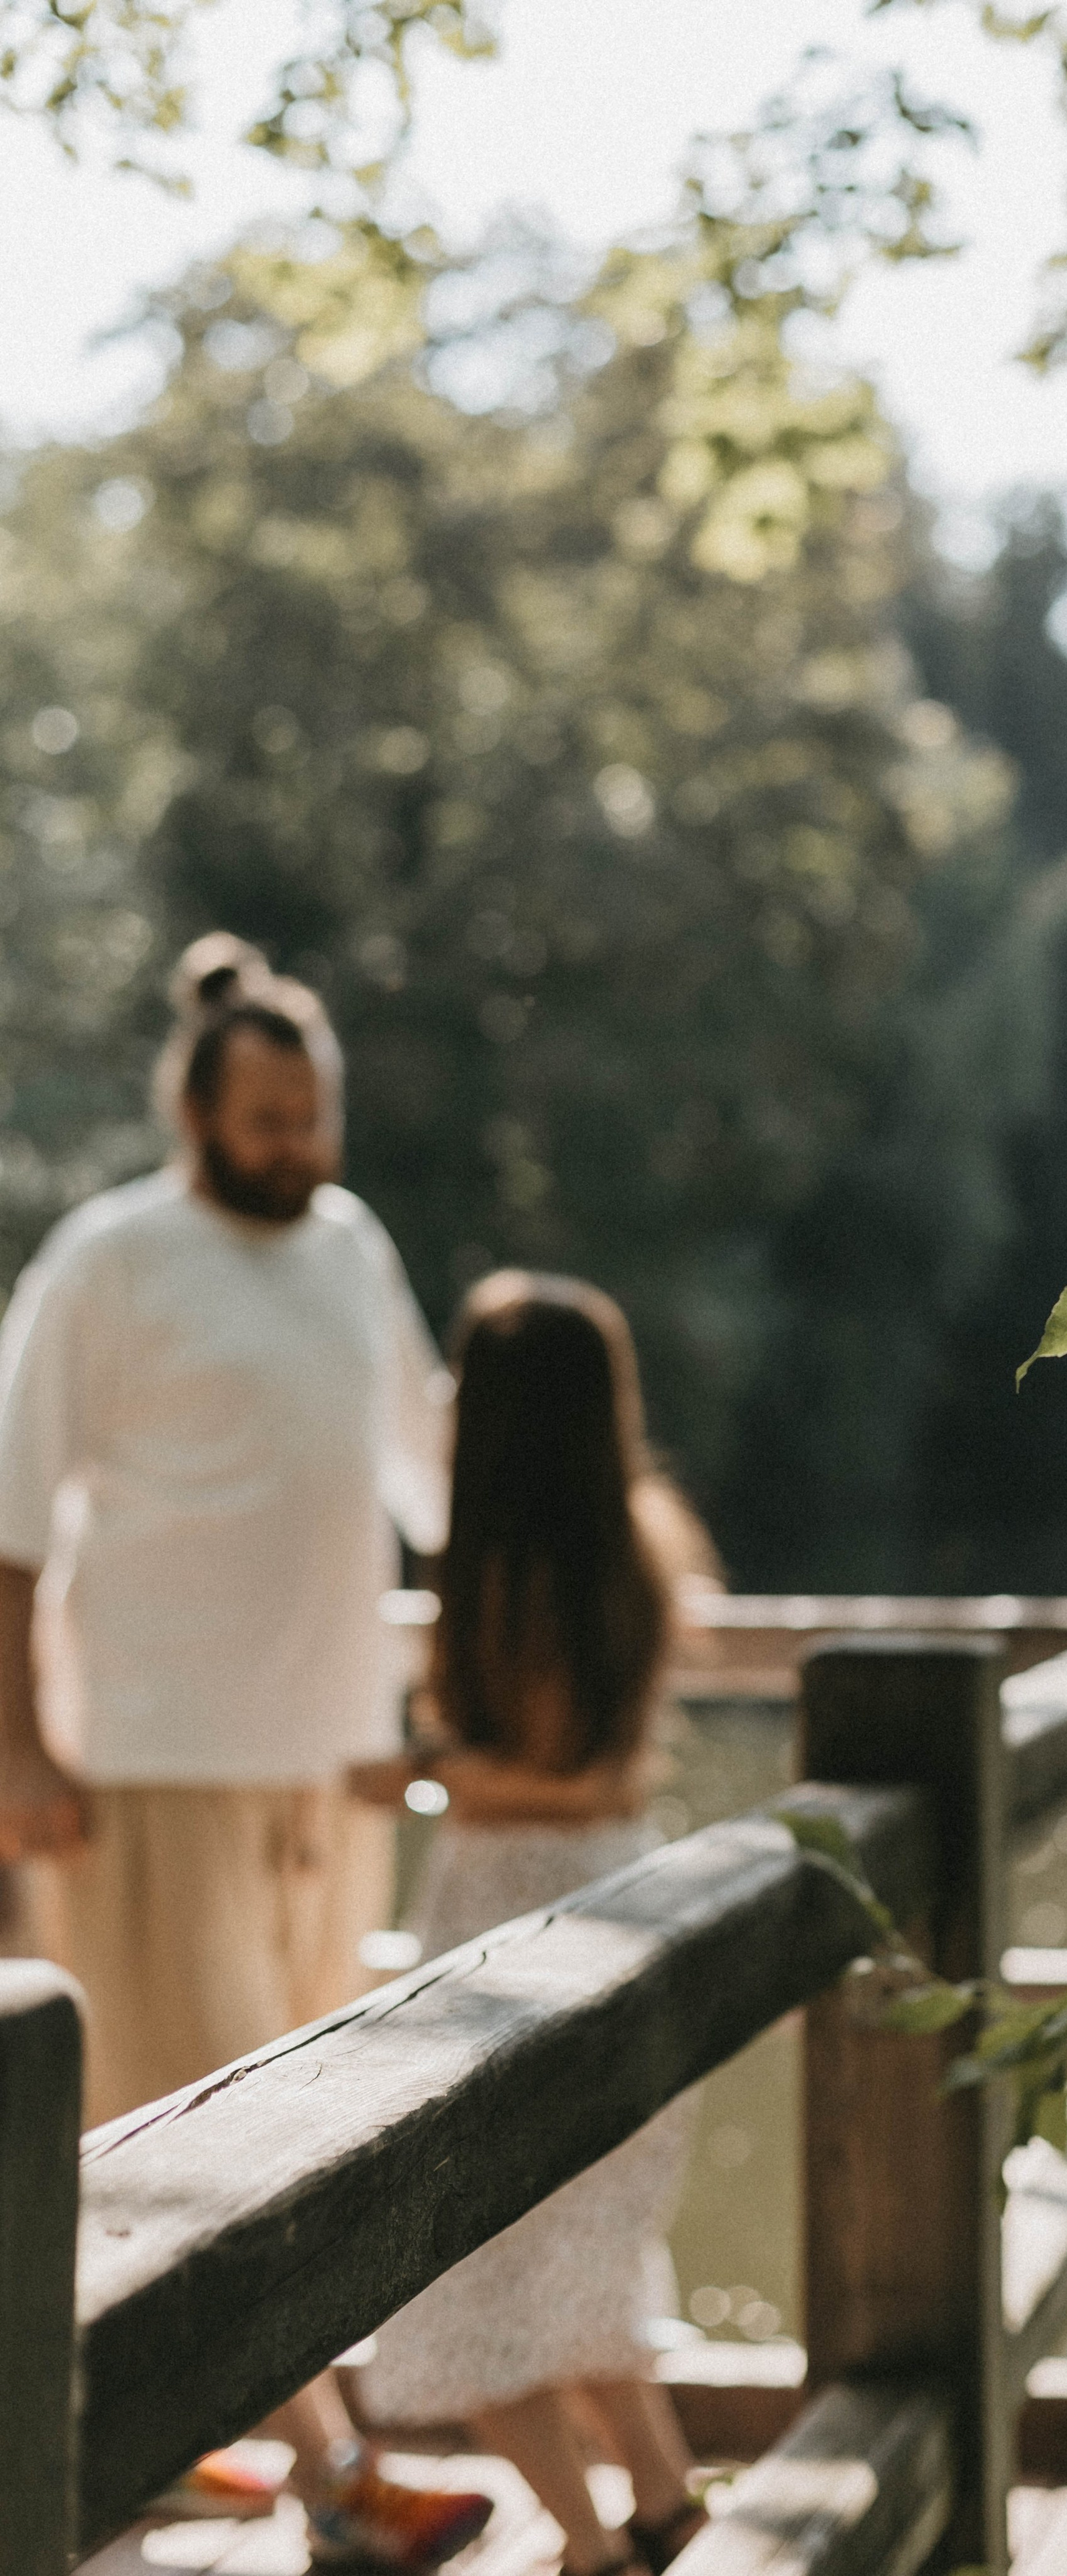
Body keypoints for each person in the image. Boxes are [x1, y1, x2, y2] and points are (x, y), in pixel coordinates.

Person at [0, 934, 494, 2567]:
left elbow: (432, 1482)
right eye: (270, 1118)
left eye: (315, 1116)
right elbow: (7, 1536)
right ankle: (342, 2483)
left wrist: (441, 1700)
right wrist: (18, 1752)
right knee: (184, 2111)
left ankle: (150, 2428)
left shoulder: (352, 1247)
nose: (299, 1147)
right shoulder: (108, 1259)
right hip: (139, 1761)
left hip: (323, 1764)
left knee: (305, 2117)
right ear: (197, 1109)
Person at [350, 1273, 720, 2576]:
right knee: (583, 2271)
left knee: (467, 2285)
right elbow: (612, 1778)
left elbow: (547, 1772)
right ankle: (666, 2506)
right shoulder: (643, 1537)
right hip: (624, 1889)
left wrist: (404, 1778)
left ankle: (588, 2547)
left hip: (513, 1912)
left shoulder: (509, 1567)